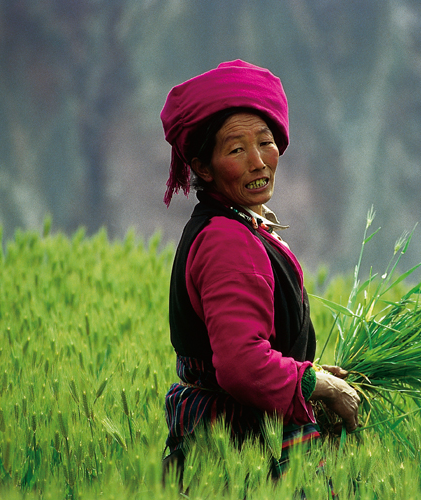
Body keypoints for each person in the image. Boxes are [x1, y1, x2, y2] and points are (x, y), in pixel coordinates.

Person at [159, 60, 360, 479]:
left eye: (265, 142)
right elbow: (242, 364)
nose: (257, 162)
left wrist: (311, 371)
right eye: (236, 149)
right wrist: (318, 385)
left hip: (227, 444)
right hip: (244, 453)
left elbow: (256, 345)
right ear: (202, 167)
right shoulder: (227, 240)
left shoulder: (233, 225)